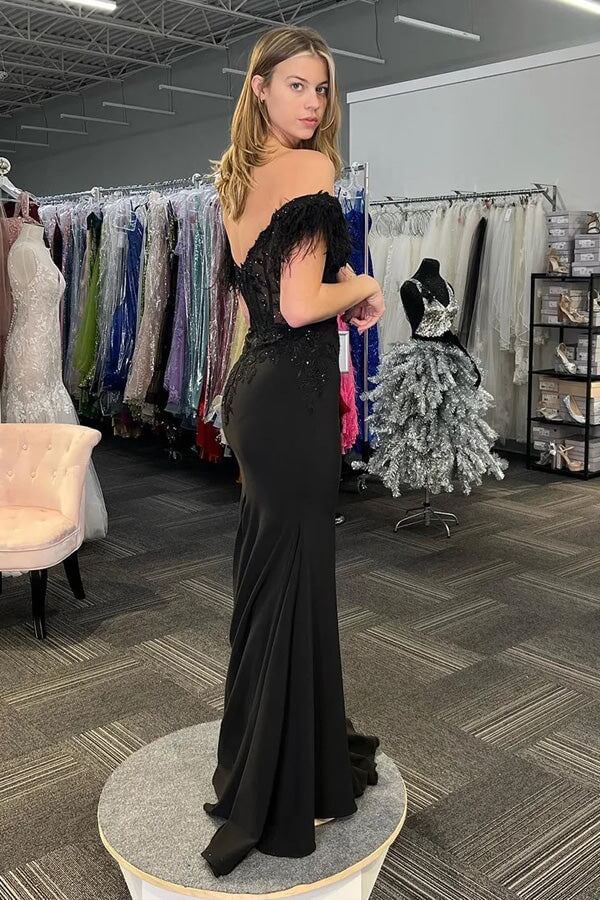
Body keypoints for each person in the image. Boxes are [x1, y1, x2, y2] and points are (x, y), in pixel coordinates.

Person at [202, 24, 385, 877]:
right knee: (294, 580)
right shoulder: (311, 170)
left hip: (255, 392)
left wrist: (337, 292)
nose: (314, 102)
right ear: (261, 89)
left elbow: (270, 301)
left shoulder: (236, 178)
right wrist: (366, 284)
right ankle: (278, 789)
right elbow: (303, 303)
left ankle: (270, 760)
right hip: (292, 401)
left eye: (322, 88)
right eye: (297, 85)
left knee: (273, 579)